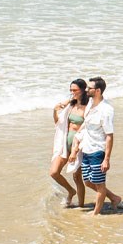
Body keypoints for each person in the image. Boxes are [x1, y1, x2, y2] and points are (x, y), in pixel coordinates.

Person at [72, 76, 123, 215]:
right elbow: (86, 122)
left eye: (89, 88)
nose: (87, 90)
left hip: (98, 151)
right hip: (87, 149)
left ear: (97, 91)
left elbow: (109, 135)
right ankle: (114, 198)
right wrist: (77, 140)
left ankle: (96, 213)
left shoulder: (106, 110)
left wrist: (106, 159)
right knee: (88, 181)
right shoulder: (90, 103)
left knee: (100, 185)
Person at [49, 78, 88, 208]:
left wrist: (75, 150)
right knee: (54, 172)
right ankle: (71, 191)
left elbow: (87, 129)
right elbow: (58, 123)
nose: (72, 92)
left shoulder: (88, 108)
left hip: (79, 146)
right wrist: (55, 111)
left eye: (75, 90)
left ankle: (81, 206)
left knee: (77, 177)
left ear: (83, 90)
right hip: (65, 144)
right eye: (70, 90)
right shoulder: (70, 105)